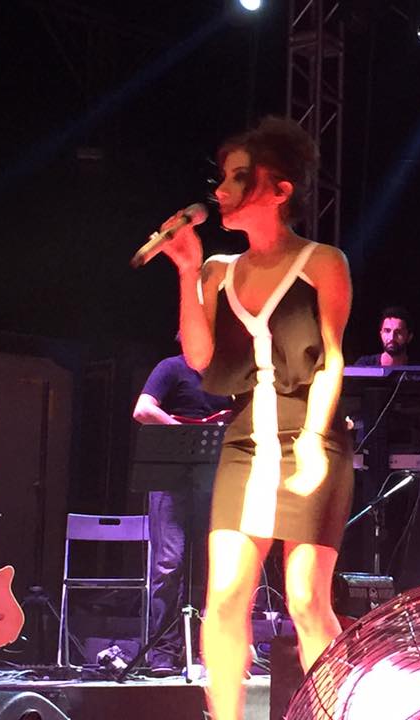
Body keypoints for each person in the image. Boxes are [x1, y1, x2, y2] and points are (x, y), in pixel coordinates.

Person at [158, 116, 353, 720]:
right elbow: (198, 358)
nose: (221, 190)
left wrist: (315, 438)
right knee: (223, 597)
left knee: (305, 600)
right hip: (245, 440)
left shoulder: (323, 261)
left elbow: (332, 358)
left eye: (239, 177)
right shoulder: (217, 269)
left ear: (280, 189)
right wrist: (188, 271)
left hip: (310, 432)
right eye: (222, 177)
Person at [132, 352, 232, 674]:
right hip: (170, 480)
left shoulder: (227, 375)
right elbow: (143, 409)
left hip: (211, 479)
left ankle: (206, 649)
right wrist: (181, 432)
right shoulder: (171, 367)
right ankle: (162, 651)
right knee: (169, 563)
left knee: (212, 565)